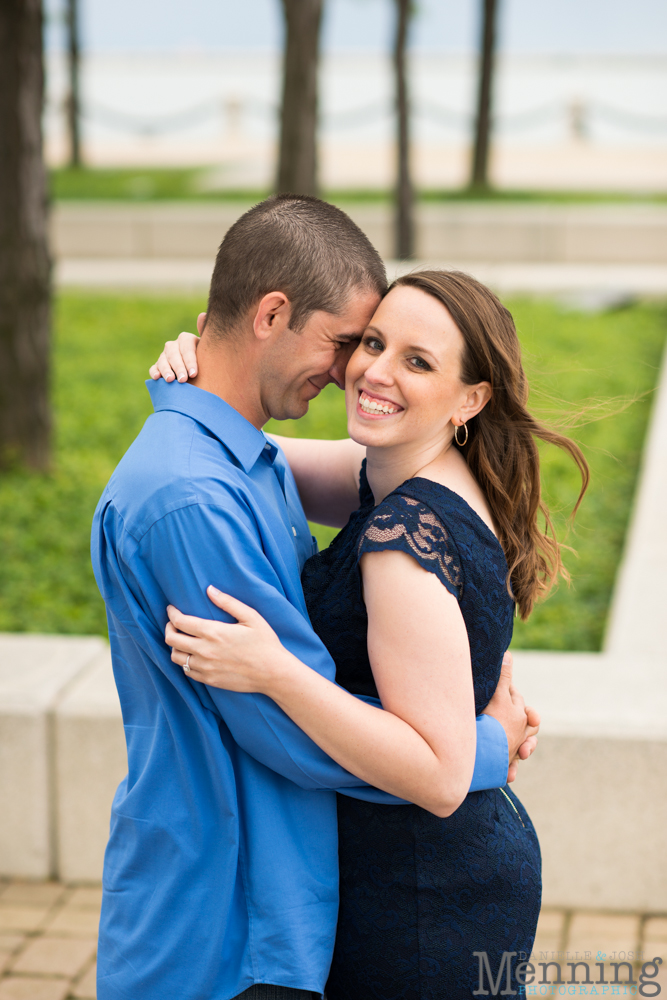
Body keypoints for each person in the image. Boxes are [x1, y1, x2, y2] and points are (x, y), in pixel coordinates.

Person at [93, 194, 537, 1000]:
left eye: (417, 361)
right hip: (370, 870)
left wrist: (473, 749)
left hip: (419, 887)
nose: (356, 371)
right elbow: (242, 444)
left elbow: (428, 770)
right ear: (271, 313)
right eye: (362, 342)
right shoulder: (371, 471)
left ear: (469, 400)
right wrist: (200, 362)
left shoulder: (404, 525)